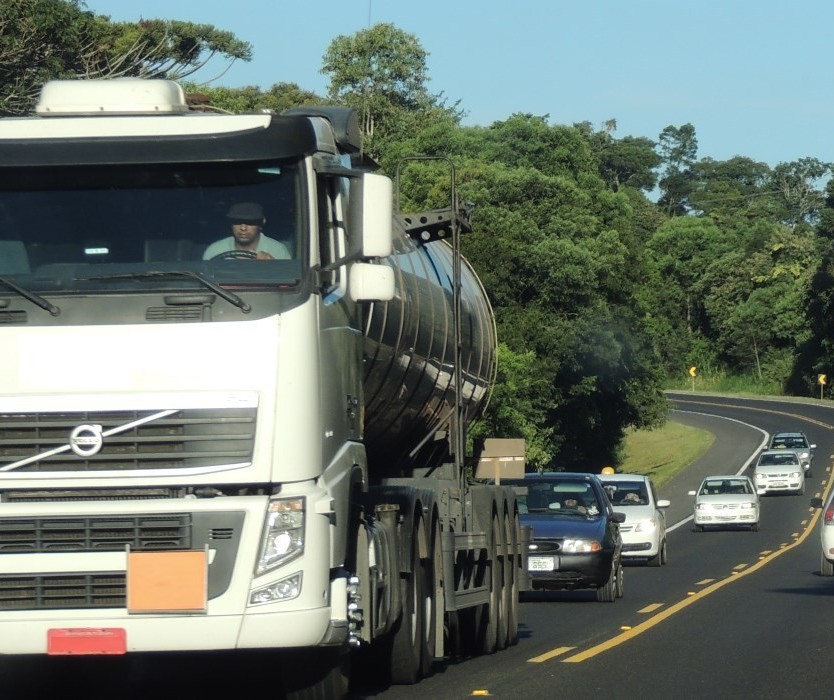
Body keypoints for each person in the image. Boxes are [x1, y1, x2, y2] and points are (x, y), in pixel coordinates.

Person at [203, 202, 291, 260]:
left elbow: (291, 284)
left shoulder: (278, 251)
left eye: (250, 222)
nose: (243, 228)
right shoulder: (215, 250)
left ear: (262, 223)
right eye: (237, 222)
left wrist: (275, 267)